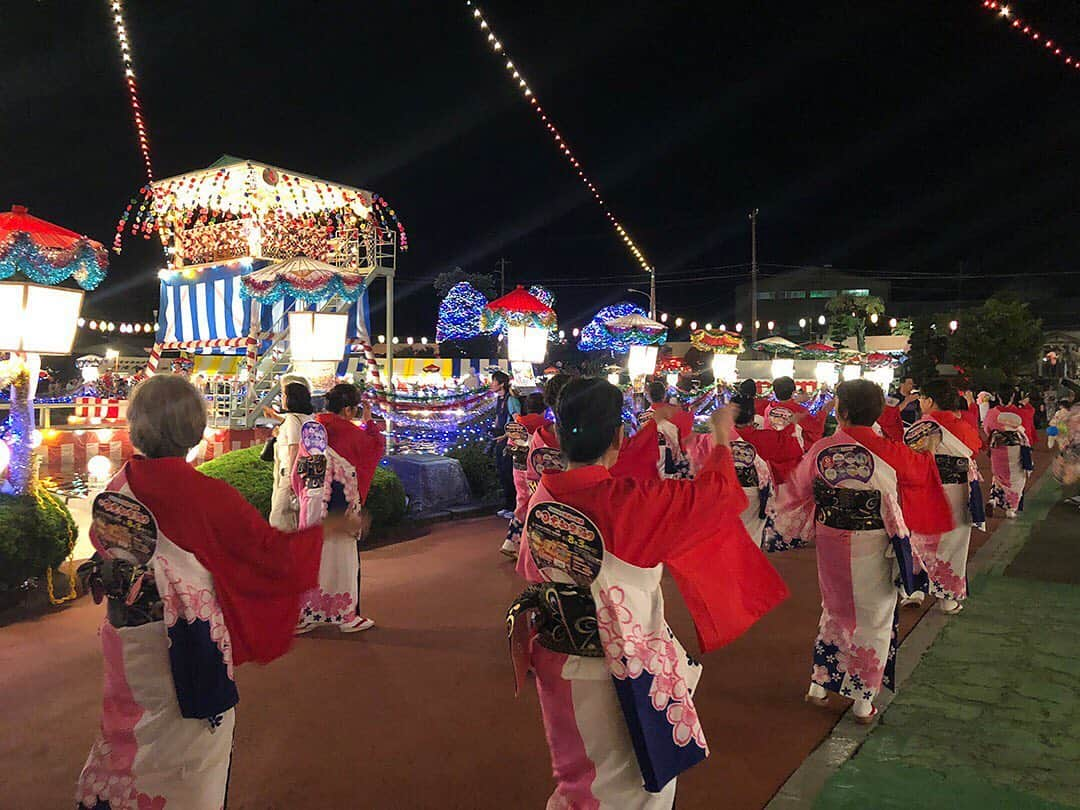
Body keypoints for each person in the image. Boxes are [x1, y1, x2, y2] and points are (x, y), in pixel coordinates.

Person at [75, 374, 359, 809]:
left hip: (127, 641)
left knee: (127, 730)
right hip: (189, 644)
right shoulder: (207, 496)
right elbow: (271, 556)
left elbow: (103, 544)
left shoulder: (119, 486)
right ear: (193, 431)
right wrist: (327, 529)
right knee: (192, 755)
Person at [507, 378, 788, 808]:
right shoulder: (629, 503)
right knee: (633, 786)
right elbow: (718, 495)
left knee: (579, 773)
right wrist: (719, 437)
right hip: (616, 667)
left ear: (559, 434)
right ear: (618, 436)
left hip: (555, 656)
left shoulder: (545, 494)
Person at [775, 379, 952, 723]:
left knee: (836, 608)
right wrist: (927, 452)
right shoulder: (892, 451)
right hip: (874, 543)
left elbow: (796, 491)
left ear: (840, 412)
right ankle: (862, 701)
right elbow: (921, 476)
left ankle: (820, 684)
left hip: (830, 540)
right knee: (875, 616)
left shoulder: (823, 448)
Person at [295, 383, 386, 633]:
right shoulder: (352, 435)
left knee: (311, 561)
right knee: (343, 563)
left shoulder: (312, 429)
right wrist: (369, 424)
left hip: (311, 506)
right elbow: (376, 448)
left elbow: (297, 471)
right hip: (340, 511)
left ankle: (305, 615)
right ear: (348, 409)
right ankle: (346, 616)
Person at [902, 379, 985, 614]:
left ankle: (914, 591)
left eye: (921, 398)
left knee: (918, 538)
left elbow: (909, 457)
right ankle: (947, 599)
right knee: (953, 544)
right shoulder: (963, 426)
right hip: (957, 490)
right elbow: (976, 448)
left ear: (929, 400)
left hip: (925, 488)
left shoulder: (920, 427)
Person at [501, 391, 551, 557]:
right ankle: (525, 546)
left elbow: (511, 447)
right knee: (537, 506)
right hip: (536, 473)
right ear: (545, 408)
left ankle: (513, 542)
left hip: (518, 469)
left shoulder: (517, 424)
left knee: (522, 503)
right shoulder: (546, 425)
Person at [268, 378, 320, 531]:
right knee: (298, 517)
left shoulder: (291, 420)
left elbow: (294, 448)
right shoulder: (308, 418)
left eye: (284, 395)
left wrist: (291, 478)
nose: (282, 398)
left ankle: (284, 552)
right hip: (306, 474)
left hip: (289, 475)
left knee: (279, 519)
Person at [985, 386, 1034, 518]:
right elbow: (1028, 426)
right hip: (1015, 448)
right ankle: (1011, 509)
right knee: (1016, 479)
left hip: (997, 447)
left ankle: (994, 499)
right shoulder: (1020, 412)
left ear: (998, 397)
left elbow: (987, 429)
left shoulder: (992, 413)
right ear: (1013, 397)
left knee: (999, 476)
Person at [641, 378, 694, 479]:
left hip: (651, 466)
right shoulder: (680, 413)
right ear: (665, 395)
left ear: (647, 396)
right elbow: (686, 439)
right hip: (676, 464)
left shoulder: (642, 418)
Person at [490, 370, 521, 519]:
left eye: (493, 381)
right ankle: (508, 505)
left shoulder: (511, 400)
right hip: (500, 439)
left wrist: (505, 435)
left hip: (508, 441)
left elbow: (518, 421)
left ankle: (515, 507)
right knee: (503, 473)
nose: (491, 384)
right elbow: (498, 418)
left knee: (509, 473)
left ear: (501, 384)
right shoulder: (500, 399)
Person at [765, 376, 823, 446]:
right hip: (792, 451)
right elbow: (816, 429)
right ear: (793, 392)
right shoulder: (799, 410)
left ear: (774, 392)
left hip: (770, 448)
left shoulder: (769, 408)